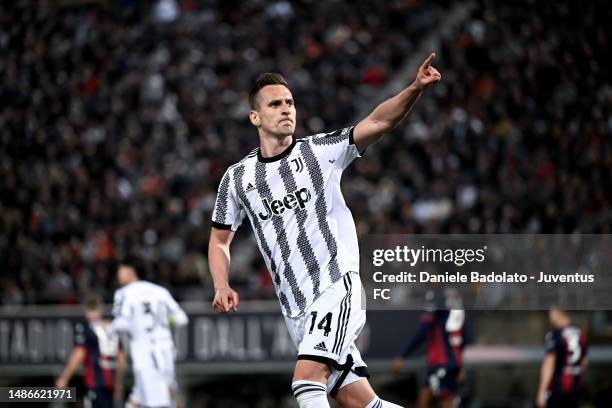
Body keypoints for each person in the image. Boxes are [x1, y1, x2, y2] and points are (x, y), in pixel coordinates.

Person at [208, 53, 441, 407]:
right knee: (359, 402)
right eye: (275, 104)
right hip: (296, 309)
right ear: (255, 116)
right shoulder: (238, 178)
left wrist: (414, 88)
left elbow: (377, 122)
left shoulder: (319, 152)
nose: (286, 109)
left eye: (289, 102)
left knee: (306, 380)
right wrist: (221, 284)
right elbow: (219, 240)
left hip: (335, 287)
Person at [109, 260, 189, 408]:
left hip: (144, 353)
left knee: (157, 401)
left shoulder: (123, 293)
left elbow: (122, 322)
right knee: (148, 395)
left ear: (129, 270)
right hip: (165, 350)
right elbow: (181, 319)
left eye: (120, 270)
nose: (118, 274)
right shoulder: (160, 291)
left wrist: (108, 328)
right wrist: (162, 321)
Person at [56, 293, 126, 408]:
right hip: (112, 382)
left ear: (86, 310)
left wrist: (65, 377)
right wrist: (119, 382)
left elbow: (79, 354)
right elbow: (121, 359)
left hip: (95, 380)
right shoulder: (111, 327)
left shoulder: (86, 328)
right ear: (101, 309)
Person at [392, 306, 468, 408]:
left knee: (444, 403)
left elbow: (422, 331)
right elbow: (463, 338)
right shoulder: (457, 304)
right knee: (426, 401)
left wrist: (403, 355)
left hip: (441, 362)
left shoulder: (436, 298)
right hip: (451, 363)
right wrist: (460, 364)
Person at [536, 308, 588, 408]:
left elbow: (549, 362)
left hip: (558, 387)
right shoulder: (580, 334)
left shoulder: (555, 334)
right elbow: (584, 361)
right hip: (576, 387)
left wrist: (542, 391)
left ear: (559, 313)